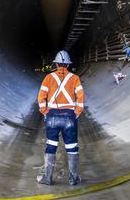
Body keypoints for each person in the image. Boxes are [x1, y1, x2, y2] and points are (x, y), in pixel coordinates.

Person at [37, 50, 84, 185]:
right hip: (69, 117)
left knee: (51, 145)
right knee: (72, 147)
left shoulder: (48, 78)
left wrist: (45, 111)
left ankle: (47, 178)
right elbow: (80, 96)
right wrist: (77, 111)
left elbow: (41, 96)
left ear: (56, 64)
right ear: (68, 65)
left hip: (52, 117)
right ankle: (73, 179)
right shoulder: (75, 78)